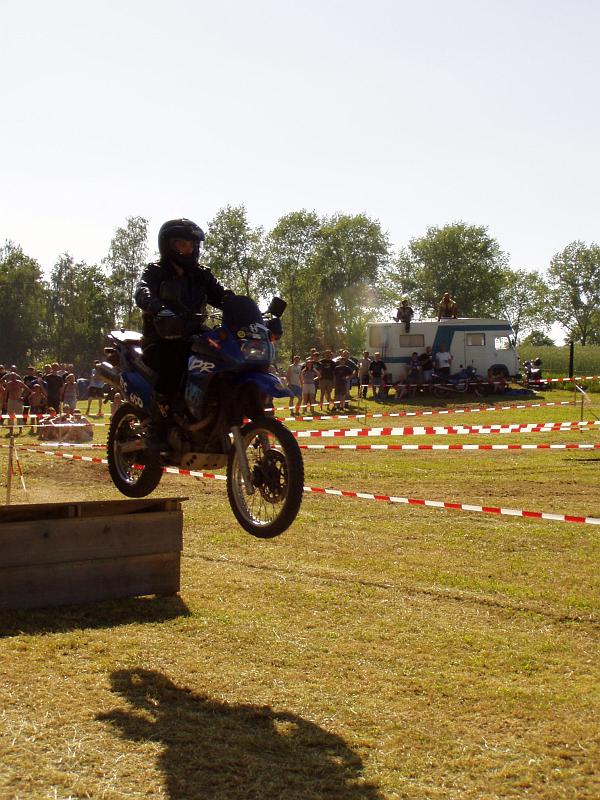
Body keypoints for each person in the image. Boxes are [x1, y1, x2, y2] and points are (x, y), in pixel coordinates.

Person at [134, 218, 231, 452]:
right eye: (182, 244)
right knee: (174, 364)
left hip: (195, 335)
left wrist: (242, 307)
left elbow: (223, 296)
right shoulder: (156, 271)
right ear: (168, 245)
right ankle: (157, 427)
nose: (188, 249)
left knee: (226, 358)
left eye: (192, 245)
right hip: (162, 338)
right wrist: (159, 308)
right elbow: (142, 291)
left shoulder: (201, 275)